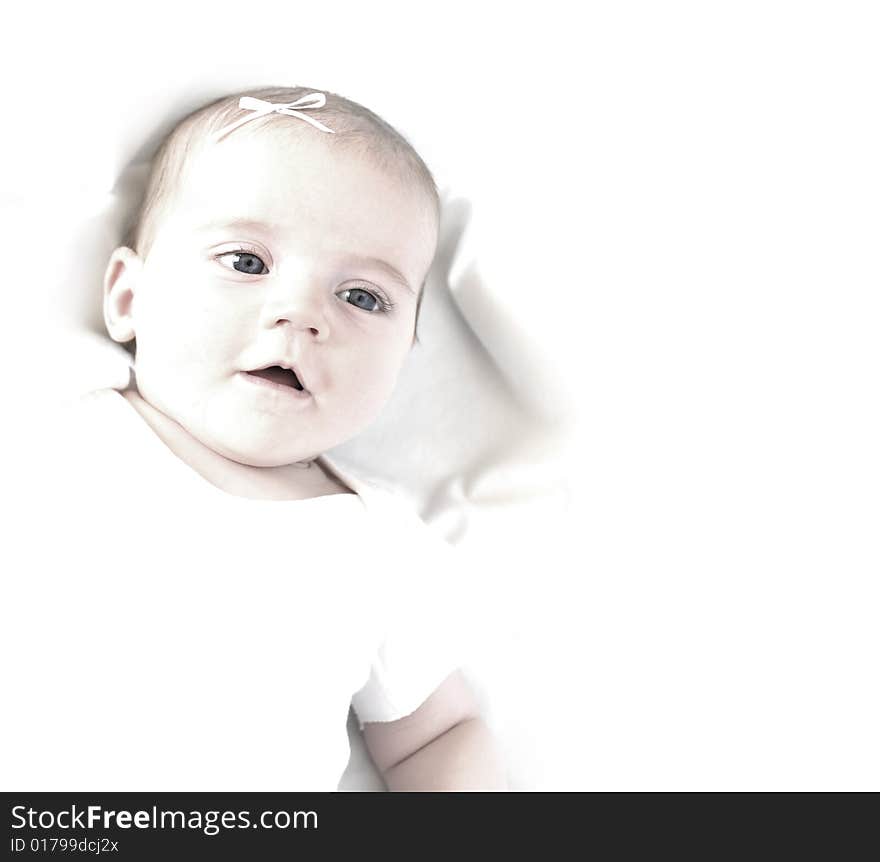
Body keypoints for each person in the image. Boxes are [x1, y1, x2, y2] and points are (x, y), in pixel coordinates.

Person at [8, 86, 506, 791]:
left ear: (405, 356)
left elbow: (441, 735)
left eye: (362, 296)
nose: (300, 314)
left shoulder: (378, 545)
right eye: (246, 262)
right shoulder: (51, 429)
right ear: (128, 297)